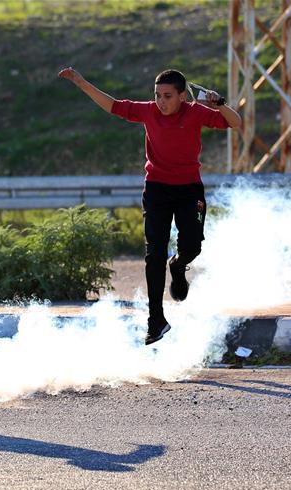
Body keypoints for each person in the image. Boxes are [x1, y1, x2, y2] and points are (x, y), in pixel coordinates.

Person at [58, 67, 241, 345]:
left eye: (167, 96)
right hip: (157, 189)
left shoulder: (195, 112)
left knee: (192, 247)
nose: (161, 101)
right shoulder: (148, 112)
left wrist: (220, 104)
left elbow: (235, 122)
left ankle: (178, 266)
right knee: (154, 254)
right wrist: (81, 82)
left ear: (182, 96)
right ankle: (156, 321)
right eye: (157, 95)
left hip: (189, 190)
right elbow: (113, 106)